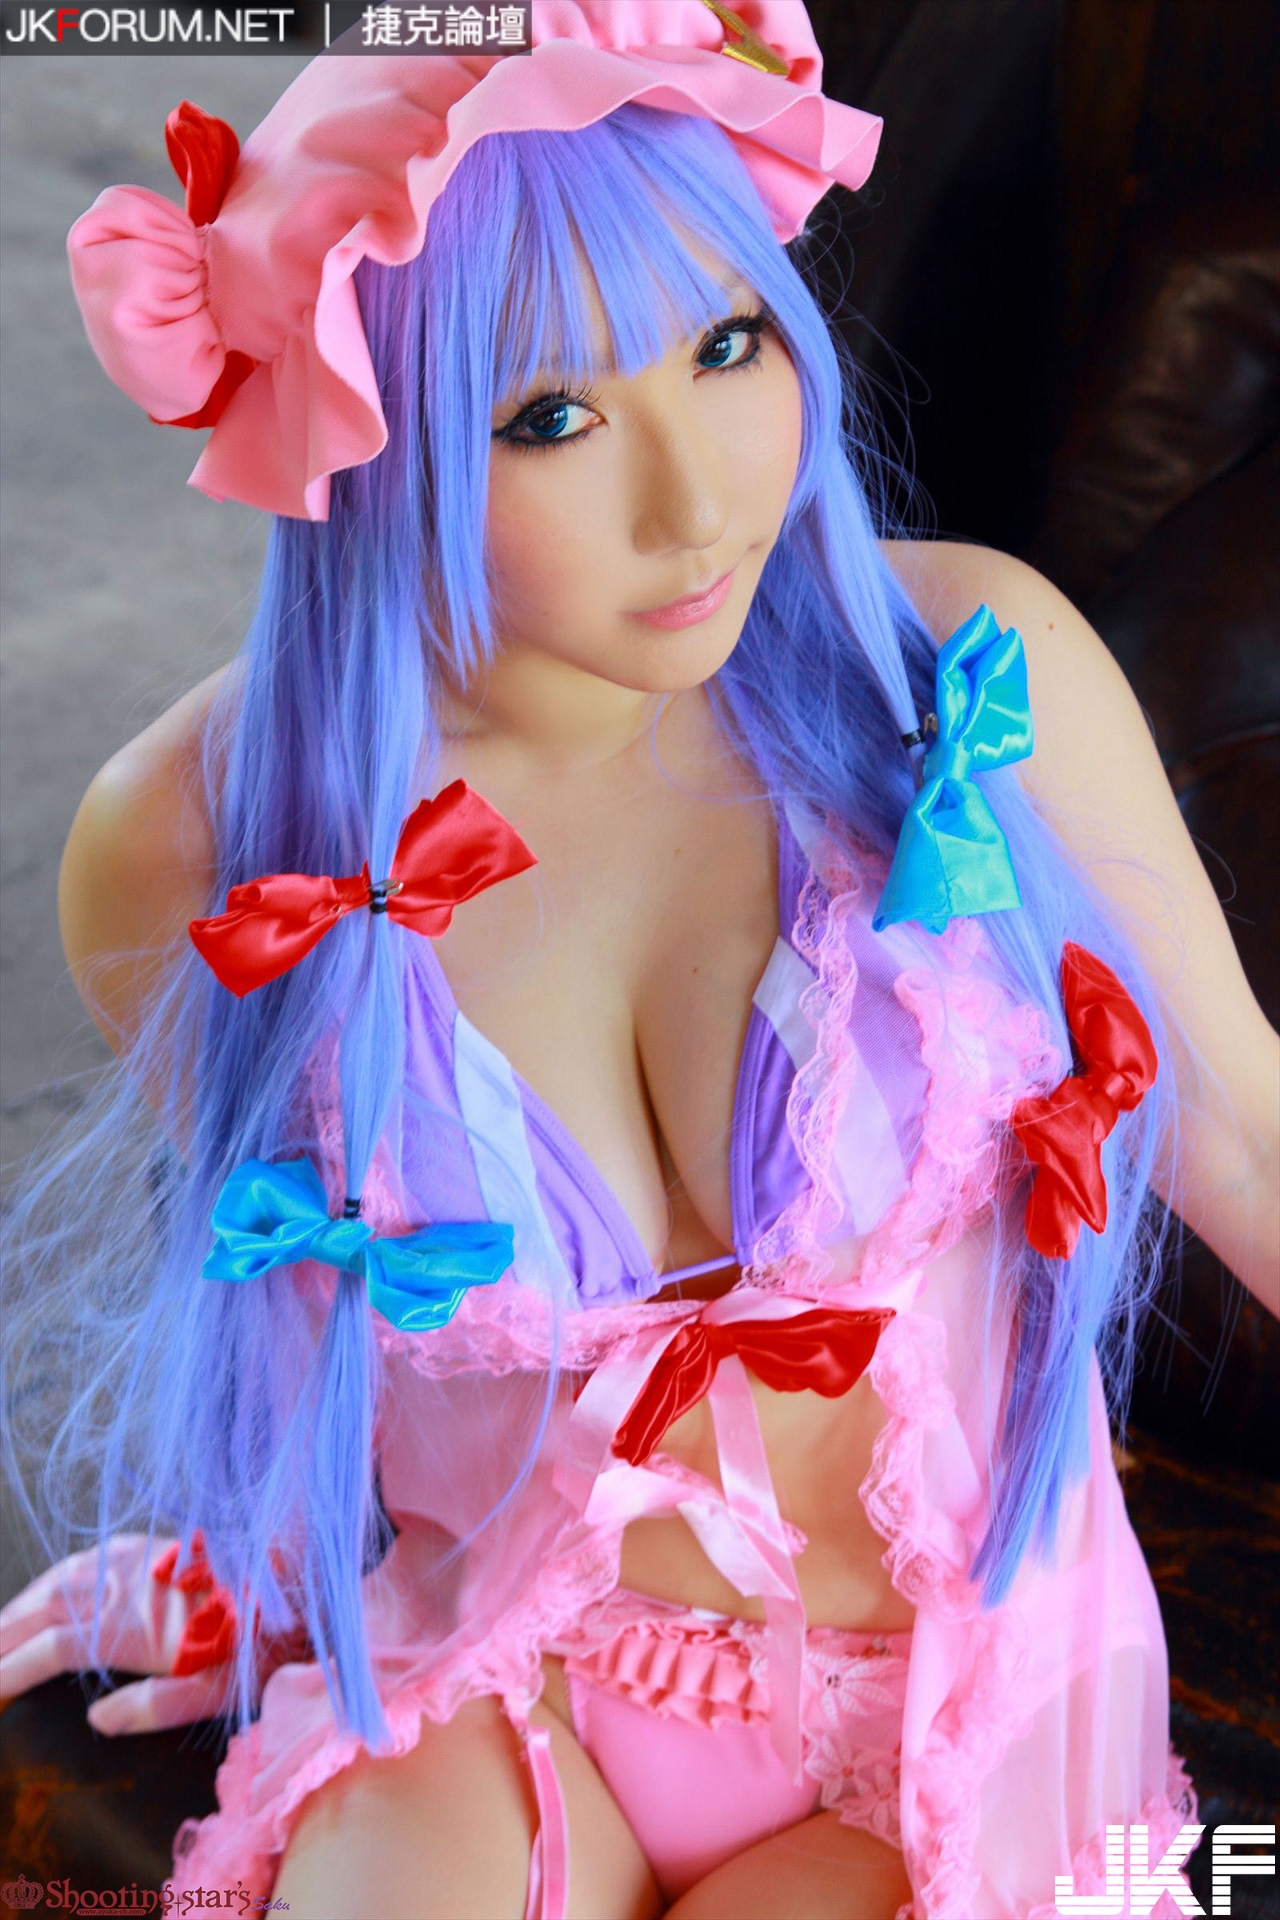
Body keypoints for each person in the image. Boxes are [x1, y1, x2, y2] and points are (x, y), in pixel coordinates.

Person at [1, 6, 1276, 1917]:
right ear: (360, 436)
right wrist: (263, 1560)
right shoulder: (195, 849)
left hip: (960, 1699)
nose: (700, 503)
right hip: (509, 1656)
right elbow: (324, 1320)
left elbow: (1249, 1145)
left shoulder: (958, 675)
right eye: (550, 416)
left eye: (728, 341)